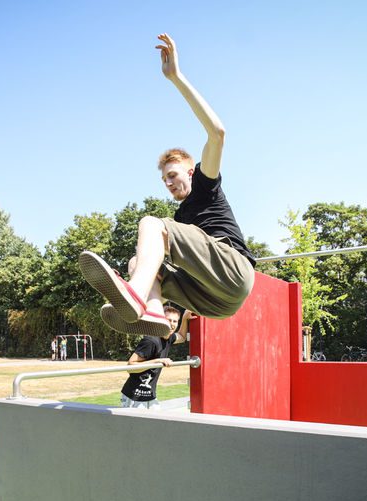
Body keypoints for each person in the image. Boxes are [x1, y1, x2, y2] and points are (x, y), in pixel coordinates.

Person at [79, 34, 256, 337]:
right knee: (138, 261)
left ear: (191, 171)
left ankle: (135, 294)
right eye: (164, 180)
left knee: (151, 224)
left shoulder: (205, 186)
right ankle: (154, 310)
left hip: (235, 272)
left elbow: (217, 133)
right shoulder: (180, 220)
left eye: (173, 175)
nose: (169, 183)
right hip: (218, 303)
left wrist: (176, 76)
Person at [120, 307, 192, 409]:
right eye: (168, 320)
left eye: (175, 321)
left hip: (150, 395)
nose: (172, 324)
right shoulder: (150, 341)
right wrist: (158, 361)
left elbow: (182, 336)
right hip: (134, 396)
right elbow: (130, 367)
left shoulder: (169, 338)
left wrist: (185, 318)